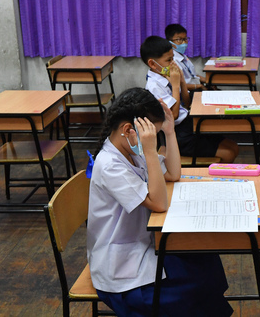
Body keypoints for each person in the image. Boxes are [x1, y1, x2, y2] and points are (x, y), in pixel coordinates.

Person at [87, 88, 233, 316]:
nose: (152, 141)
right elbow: (159, 203)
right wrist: (149, 150)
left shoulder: (130, 149)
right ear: (128, 130)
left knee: (205, 258)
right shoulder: (110, 165)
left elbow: (173, 174)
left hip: (142, 244)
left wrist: (170, 132)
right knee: (193, 287)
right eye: (152, 134)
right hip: (121, 269)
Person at [140, 36, 239, 162]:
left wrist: (181, 82)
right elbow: (173, 115)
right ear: (153, 64)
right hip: (177, 136)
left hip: (187, 124)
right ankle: (217, 178)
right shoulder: (154, 86)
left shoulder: (166, 75)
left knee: (234, 147)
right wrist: (175, 86)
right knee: (228, 153)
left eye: (173, 59)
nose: (173, 64)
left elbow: (186, 104)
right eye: (169, 60)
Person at [165, 23, 207, 91]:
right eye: (179, 40)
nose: (184, 42)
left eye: (185, 39)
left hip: (196, 86)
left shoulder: (183, 56)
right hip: (188, 91)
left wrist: (208, 81)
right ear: (170, 42)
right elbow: (177, 85)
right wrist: (199, 86)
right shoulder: (172, 61)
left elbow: (192, 76)